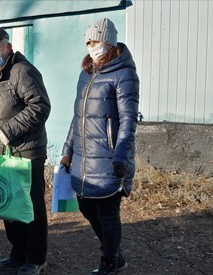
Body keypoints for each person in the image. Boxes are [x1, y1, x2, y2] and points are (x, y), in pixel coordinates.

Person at [60, 18, 139, 275]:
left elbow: (128, 120)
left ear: (109, 42)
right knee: (85, 207)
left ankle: (109, 263)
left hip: (109, 158)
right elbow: (77, 117)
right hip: (84, 158)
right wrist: (67, 151)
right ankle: (115, 256)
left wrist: (121, 157)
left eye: (95, 42)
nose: (90, 47)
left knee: (107, 212)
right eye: (88, 42)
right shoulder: (86, 74)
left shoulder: (125, 74)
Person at [0, 28, 51, 275]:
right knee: (10, 205)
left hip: (27, 151)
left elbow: (40, 106)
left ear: (8, 47)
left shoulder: (23, 71)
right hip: (5, 152)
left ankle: (36, 258)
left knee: (30, 206)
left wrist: (10, 130)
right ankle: (18, 252)